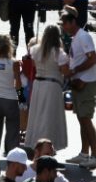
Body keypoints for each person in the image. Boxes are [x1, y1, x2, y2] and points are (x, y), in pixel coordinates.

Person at [22, 25, 70, 155]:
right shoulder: (59, 53)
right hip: (52, 86)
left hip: (38, 84)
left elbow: (33, 64)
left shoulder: (35, 50)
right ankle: (47, 148)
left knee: (38, 116)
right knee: (49, 118)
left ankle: (37, 144)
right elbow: (65, 71)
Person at [63, 8, 96, 165]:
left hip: (86, 83)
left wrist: (75, 70)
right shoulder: (76, 37)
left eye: (65, 24)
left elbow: (93, 59)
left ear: (73, 22)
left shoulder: (83, 37)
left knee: (86, 120)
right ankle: (85, 154)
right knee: (81, 119)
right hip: (78, 83)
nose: (63, 27)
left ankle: (95, 157)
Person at [0, 34, 22, 182]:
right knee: (12, 139)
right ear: (9, 47)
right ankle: (11, 175)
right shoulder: (13, 63)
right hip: (10, 100)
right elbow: (18, 85)